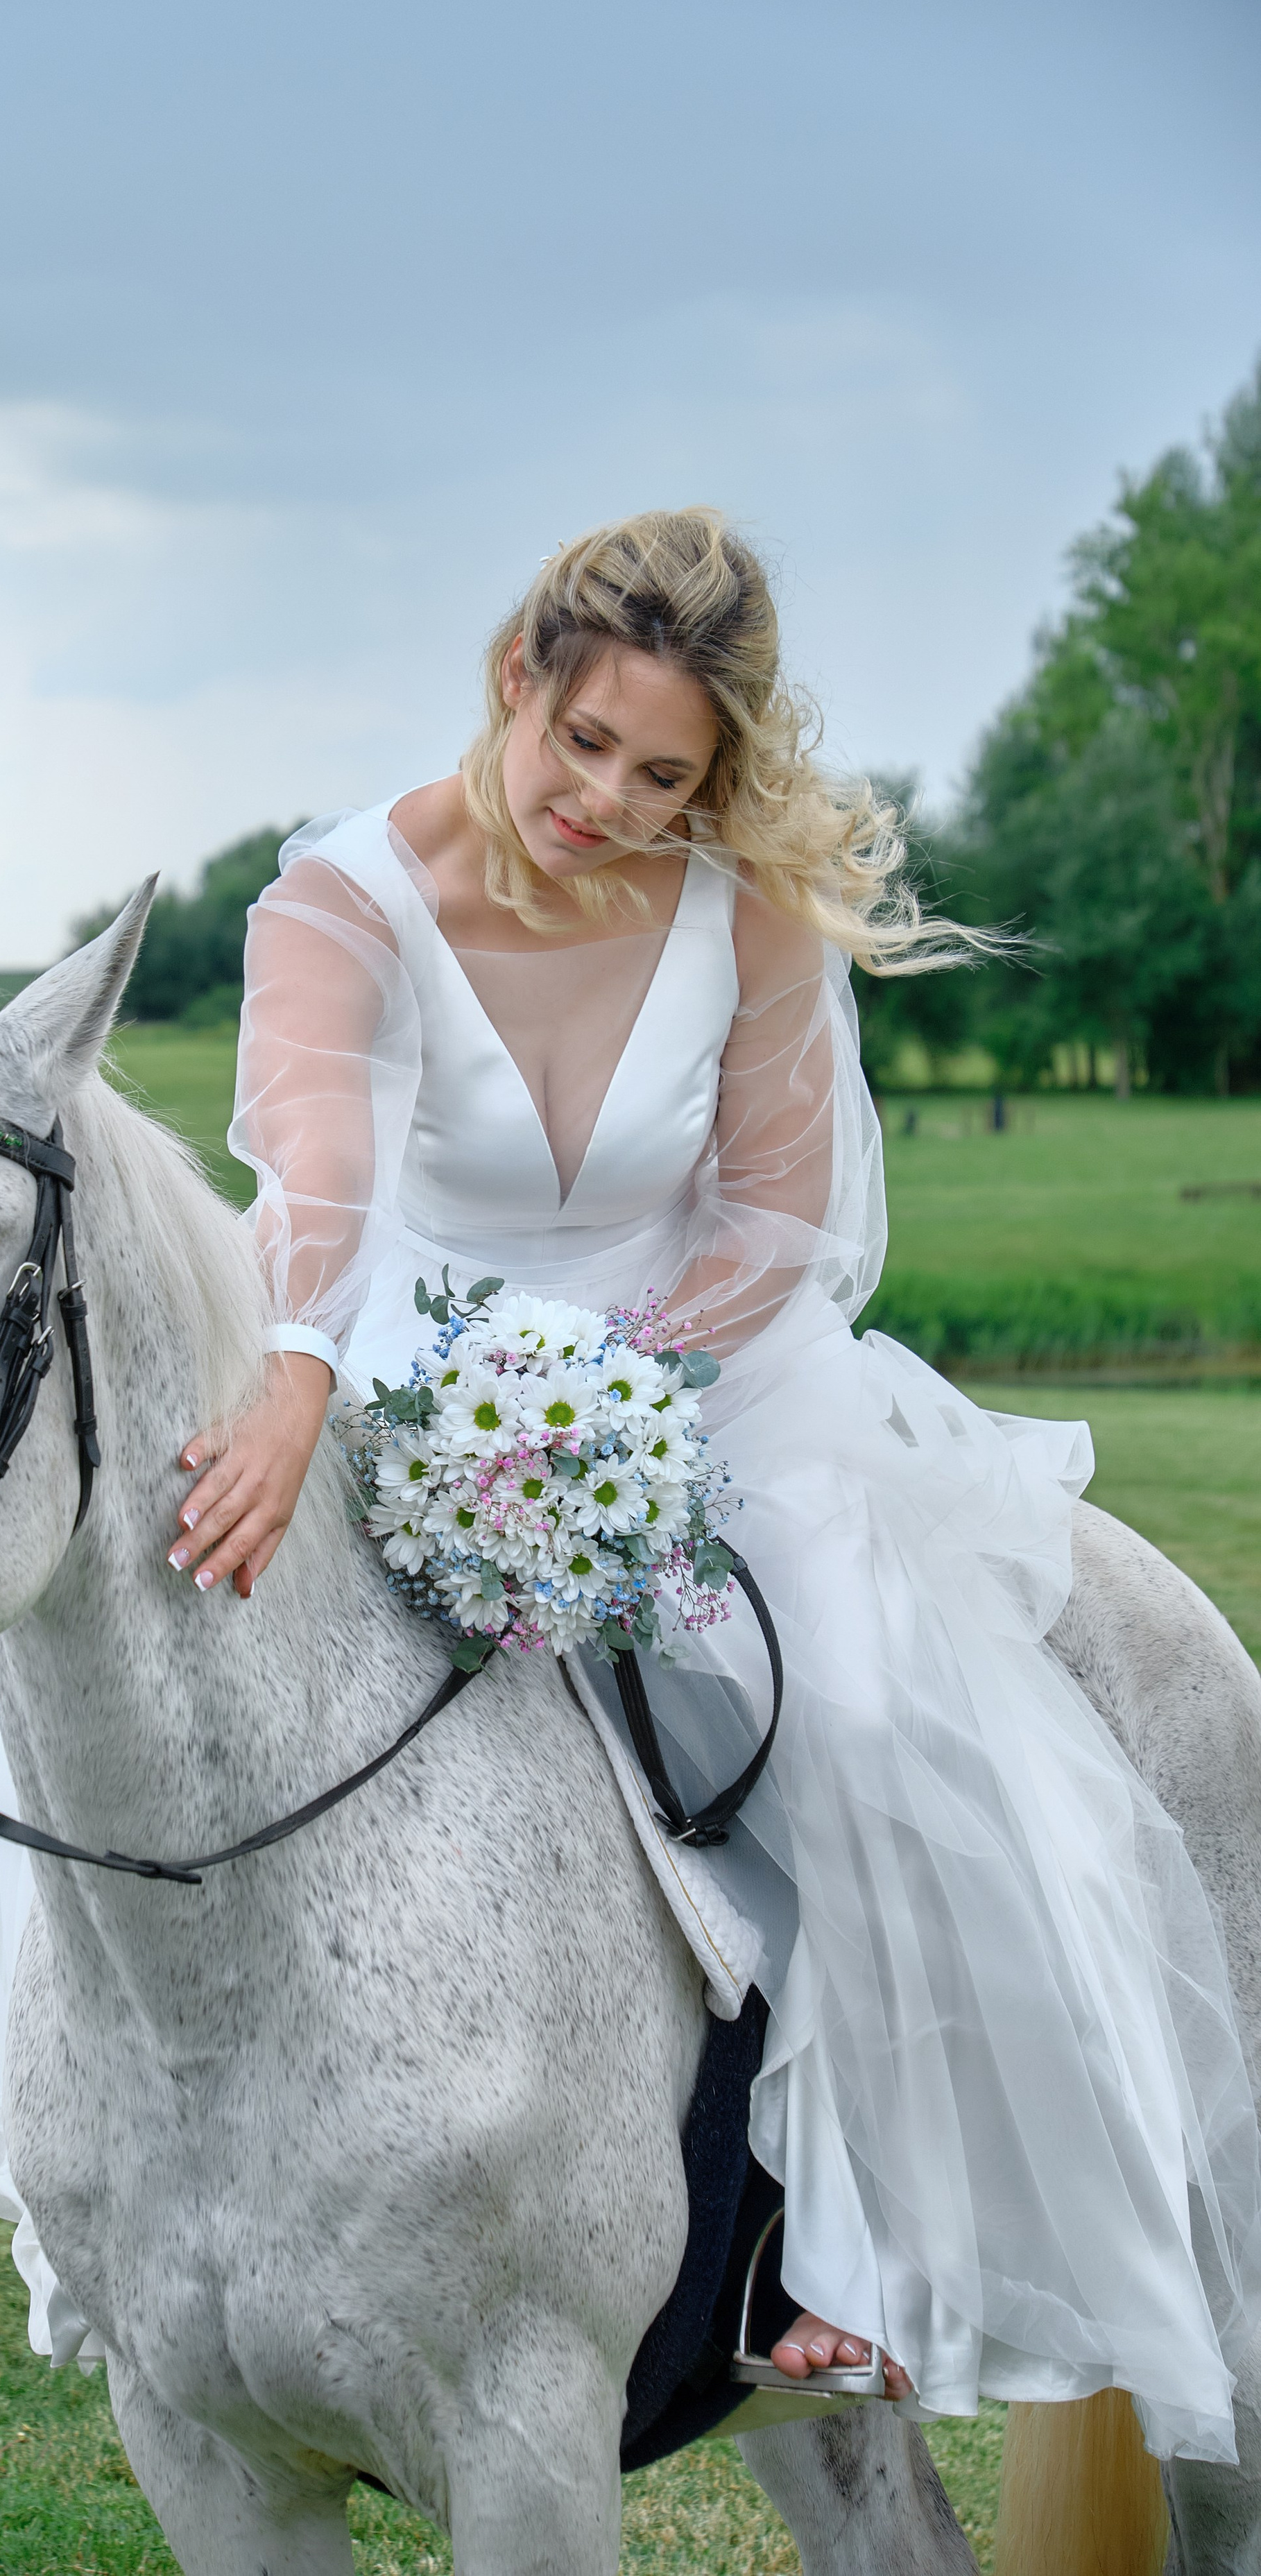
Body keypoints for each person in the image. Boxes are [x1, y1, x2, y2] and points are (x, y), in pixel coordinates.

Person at [157, 508, 1261, 2459]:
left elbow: (776, 1220)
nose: (606, 802)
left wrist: (612, 1394)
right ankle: (121, 2171)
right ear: (519, 678)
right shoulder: (339, 900)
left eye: (663, 777)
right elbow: (317, 1175)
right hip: (390, 1366)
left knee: (864, 1718)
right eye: (584, 743)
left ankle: (831, 2246)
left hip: (700, 1381)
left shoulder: (741, 914)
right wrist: (310, 1372)